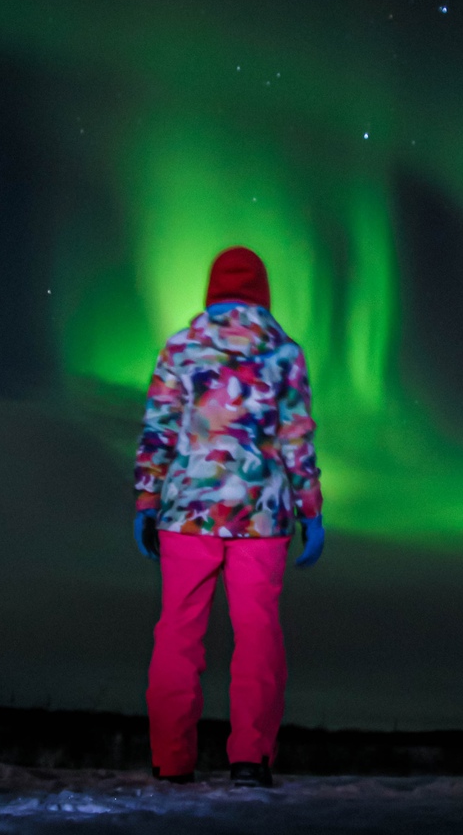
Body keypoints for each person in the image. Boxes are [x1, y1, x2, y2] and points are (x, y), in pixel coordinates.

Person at [133, 246, 324, 788]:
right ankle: (249, 761)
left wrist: (147, 501)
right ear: (262, 293)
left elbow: (159, 430)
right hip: (261, 517)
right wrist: (311, 511)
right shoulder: (285, 354)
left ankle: (171, 763)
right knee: (258, 637)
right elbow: (296, 437)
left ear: (212, 292)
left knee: (177, 638)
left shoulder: (180, 348)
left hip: (185, 514)